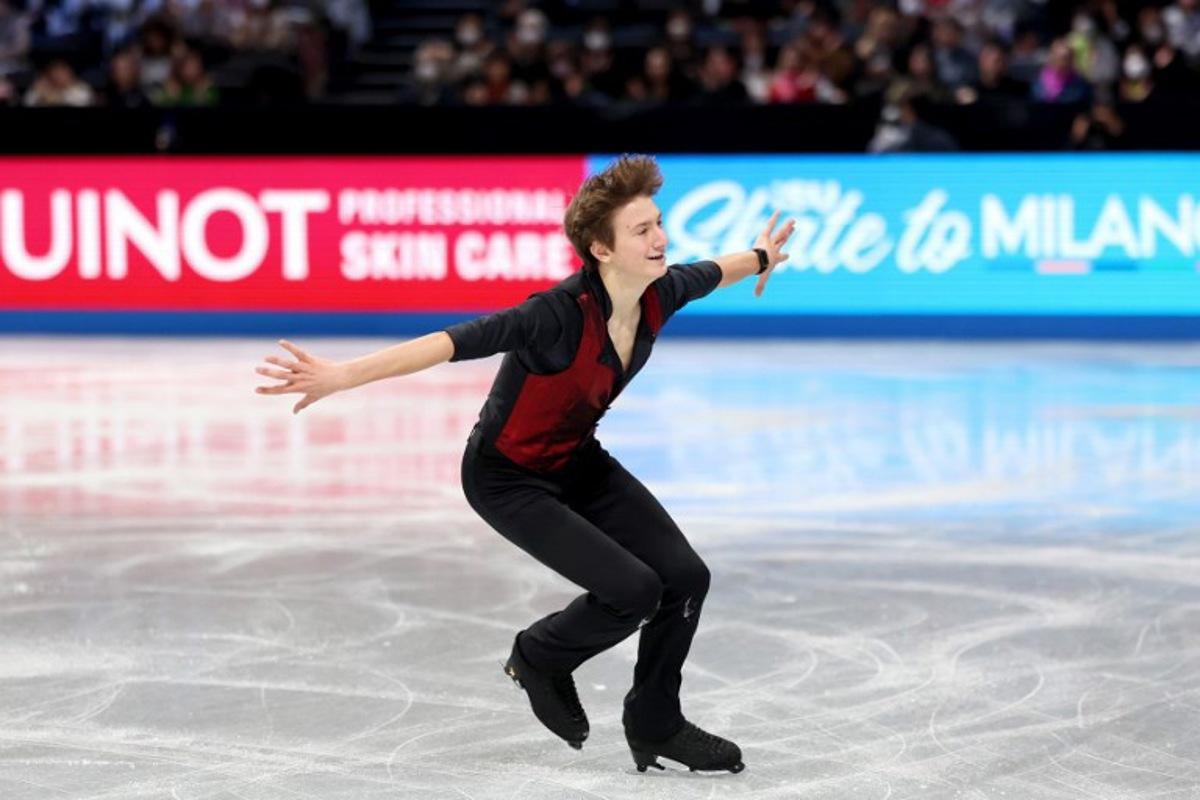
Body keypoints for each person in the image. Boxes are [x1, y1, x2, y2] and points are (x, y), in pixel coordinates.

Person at [254, 155, 795, 774]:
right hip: (507, 478)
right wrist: (343, 373)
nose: (660, 239)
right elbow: (451, 343)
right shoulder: (555, 315)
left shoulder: (658, 292)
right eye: (642, 230)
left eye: (659, 223)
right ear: (601, 248)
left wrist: (760, 258)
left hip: (577, 461)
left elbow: (713, 270)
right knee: (634, 589)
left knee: (685, 579)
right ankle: (540, 655)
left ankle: (655, 720)